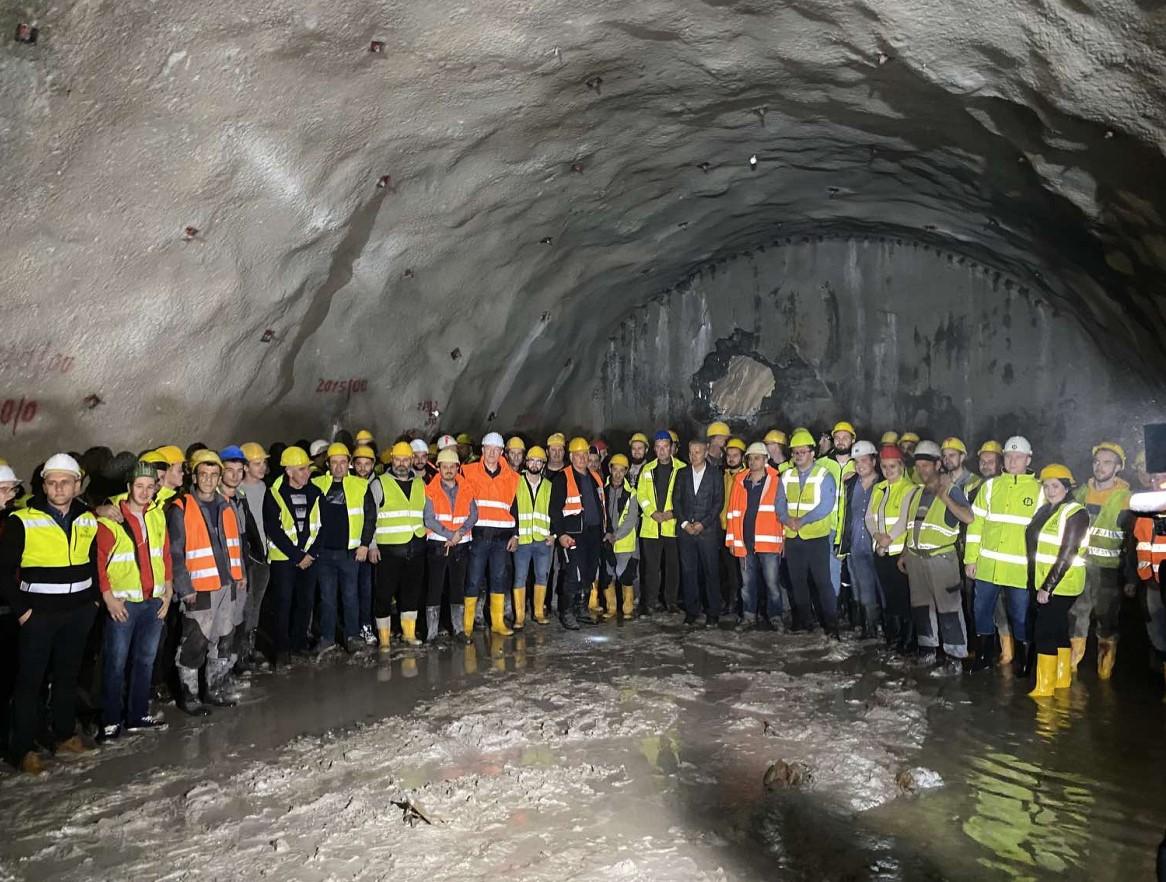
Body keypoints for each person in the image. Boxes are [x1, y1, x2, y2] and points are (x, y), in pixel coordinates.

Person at [1, 454, 98, 773]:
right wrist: (24, 612)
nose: (58, 488)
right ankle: (23, 748)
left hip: (78, 612)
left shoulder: (88, 518)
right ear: (44, 485)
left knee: (68, 677)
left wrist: (93, 601)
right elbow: (3, 572)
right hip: (39, 615)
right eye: (52, 482)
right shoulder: (23, 520)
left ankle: (64, 734)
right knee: (30, 682)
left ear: (77, 485)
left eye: (65, 482)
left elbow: (94, 562)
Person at [94, 462, 172, 740]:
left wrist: (169, 591)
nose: (145, 491)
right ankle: (110, 721)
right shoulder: (110, 519)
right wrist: (108, 598)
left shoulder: (157, 516)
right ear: (128, 487)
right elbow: (100, 562)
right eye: (139, 486)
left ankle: (138, 714)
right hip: (124, 603)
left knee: (145, 661)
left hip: (153, 601)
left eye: (150, 487)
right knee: (115, 663)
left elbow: (165, 555)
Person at [168, 450, 245, 715]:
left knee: (224, 638)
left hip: (226, 584)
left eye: (214, 475)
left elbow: (235, 544)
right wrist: (184, 587)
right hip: (199, 588)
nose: (209, 480)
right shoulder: (181, 508)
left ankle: (214, 689)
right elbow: (175, 553)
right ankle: (189, 696)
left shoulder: (225, 505)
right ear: (195, 475)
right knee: (195, 641)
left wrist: (240, 574)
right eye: (204, 474)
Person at [965, 436, 1043, 676]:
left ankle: (1023, 661)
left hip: (1020, 570)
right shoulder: (990, 487)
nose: (1012, 461)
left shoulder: (1039, 490)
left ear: (1028, 459)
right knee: (981, 612)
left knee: (1020, 617)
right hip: (987, 566)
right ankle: (984, 656)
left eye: (1018, 457)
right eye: (1008, 456)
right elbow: (975, 525)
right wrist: (970, 558)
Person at [900, 441, 973, 669]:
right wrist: (904, 553)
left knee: (949, 608)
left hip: (942, 559)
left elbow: (968, 517)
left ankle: (955, 656)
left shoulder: (951, 490)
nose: (922, 470)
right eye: (919, 466)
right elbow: (912, 526)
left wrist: (946, 498)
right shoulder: (917, 493)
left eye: (926, 465)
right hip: (916, 558)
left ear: (938, 464)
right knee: (921, 607)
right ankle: (927, 650)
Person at [1025, 465, 1089, 697]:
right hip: (1046, 580)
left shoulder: (1075, 512)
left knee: (1045, 632)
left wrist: (1047, 587)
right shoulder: (1046, 510)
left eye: (1055, 486)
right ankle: (1062, 679)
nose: (1050, 490)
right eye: (1046, 485)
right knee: (1059, 629)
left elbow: (1068, 552)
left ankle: (1044, 687)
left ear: (1066, 487)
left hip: (1062, 583)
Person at [1069, 441, 1131, 679]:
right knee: (1076, 616)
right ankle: (1072, 669)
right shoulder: (1080, 494)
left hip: (1109, 570)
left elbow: (1131, 540)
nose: (1100, 466)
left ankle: (1104, 673)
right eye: (1097, 461)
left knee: (1107, 621)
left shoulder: (1126, 498)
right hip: (1080, 566)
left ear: (1118, 468)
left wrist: (1130, 577)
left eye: (1107, 462)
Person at [311, 443, 376, 655]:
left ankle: (353, 635)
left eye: (343, 462)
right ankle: (328, 637)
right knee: (327, 598)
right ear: (327, 463)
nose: (338, 466)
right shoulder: (317, 484)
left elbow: (369, 518)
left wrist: (365, 544)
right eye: (334, 462)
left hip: (350, 552)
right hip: (324, 553)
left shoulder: (360, 485)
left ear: (349, 464)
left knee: (350, 596)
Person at [264, 446, 322, 667]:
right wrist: (297, 555)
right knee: (283, 604)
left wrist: (311, 553)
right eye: (302, 469)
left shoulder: (314, 492)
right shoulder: (275, 493)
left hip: (309, 557)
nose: (307, 472)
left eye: (307, 468)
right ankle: (281, 651)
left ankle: (299, 644)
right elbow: (274, 529)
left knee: (305, 602)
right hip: (284, 560)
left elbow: (321, 526)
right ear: (288, 471)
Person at [778, 429, 839, 636]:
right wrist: (787, 520)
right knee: (797, 582)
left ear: (813, 453)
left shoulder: (824, 475)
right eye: (795, 452)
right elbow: (779, 504)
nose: (798, 456)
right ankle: (804, 622)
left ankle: (831, 625)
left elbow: (826, 505)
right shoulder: (786, 476)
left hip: (816, 538)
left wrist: (802, 521)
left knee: (822, 582)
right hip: (794, 538)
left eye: (803, 452)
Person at [369, 441, 427, 648]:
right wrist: (372, 545)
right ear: (391, 460)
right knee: (384, 595)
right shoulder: (379, 484)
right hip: (389, 551)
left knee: (411, 593)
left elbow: (427, 513)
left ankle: (408, 634)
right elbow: (370, 517)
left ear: (412, 460)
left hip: (416, 548)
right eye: (397, 459)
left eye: (405, 459)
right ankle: (384, 639)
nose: (401, 464)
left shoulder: (420, 483)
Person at [462, 432, 520, 635]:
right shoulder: (467, 472)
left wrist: (516, 534)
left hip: (501, 540)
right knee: (473, 580)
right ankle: (467, 626)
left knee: (498, 580)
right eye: (489, 449)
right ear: (482, 450)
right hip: (478, 537)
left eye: (497, 450)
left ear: (502, 452)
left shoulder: (513, 478)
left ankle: (497, 623)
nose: (492, 453)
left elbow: (516, 508)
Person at [724, 443, 785, 629]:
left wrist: (784, 541)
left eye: (757, 458)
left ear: (766, 459)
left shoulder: (776, 481)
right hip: (745, 542)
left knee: (772, 584)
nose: (752, 461)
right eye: (750, 458)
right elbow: (733, 513)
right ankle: (749, 616)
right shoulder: (740, 481)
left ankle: (775, 616)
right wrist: (732, 541)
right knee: (747, 585)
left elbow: (782, 513)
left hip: (768, 543)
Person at [550, 437, 606, 629]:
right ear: (571, 456)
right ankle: (566, 612)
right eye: (578, 454)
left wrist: (604, 530)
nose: (582, 458)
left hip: (593, 533)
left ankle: (581, 609)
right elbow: (554, 510)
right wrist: (561, 534)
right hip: (573, 534)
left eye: (584, 454)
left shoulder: (595, 476)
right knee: (573, 573)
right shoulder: (562, 478)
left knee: (589, 573)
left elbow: (601, 506)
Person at [867, 445, 917, 653]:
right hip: (881, 550)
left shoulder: (910, 488)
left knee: (903, 596)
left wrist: (888, 539)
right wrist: (878, 537)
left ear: (901, 466)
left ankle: (908, 639)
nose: (888, 471)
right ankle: (893, 637)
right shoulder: (879, 488)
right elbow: (870, 517)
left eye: (892, 467)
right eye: (885, 467)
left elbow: (906, 518)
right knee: (888, 595)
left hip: (899, 552)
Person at [423, 447, 476, 642]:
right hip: (438, 545)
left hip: (460, 545)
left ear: (457, 467)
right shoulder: (430, 489)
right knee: (435, 587)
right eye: (444, 467)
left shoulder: (467, 487)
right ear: (438, 468)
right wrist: (448, 534)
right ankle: (432, 633)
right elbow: (428, 519)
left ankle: (459, 629)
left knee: (457, 587)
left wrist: (459, 534)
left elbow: (474, 515)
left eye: (452, 467)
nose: (448, 470)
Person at [675, 437, 724, 626]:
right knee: (689, 572)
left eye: (697, 452)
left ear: (705, 452)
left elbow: (718, 503)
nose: (693, 455)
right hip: (686, 532)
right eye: (690, 452)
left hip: (708, 532)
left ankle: (713, 612)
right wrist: (685, 523)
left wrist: (703, 524)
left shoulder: (715, 474)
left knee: (711, 572)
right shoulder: (682, 473)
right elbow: (677, 501)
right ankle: (692, 611)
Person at [637, 431, 686, 614]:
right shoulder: (647, 469)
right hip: (651, 526)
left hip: (672, 526)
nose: (662, 450)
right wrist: (652, 512)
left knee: (673, 567)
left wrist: (673, 513)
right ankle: (650, 602)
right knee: (651, 568)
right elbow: (641, 495)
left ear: (672, 447)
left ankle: (671, 601)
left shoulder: (682, 468)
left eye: (665, 446)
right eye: (658, 447)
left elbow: (685, 496)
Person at [838, 440, 882, 637]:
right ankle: (868, 627)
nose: (860, 465)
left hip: (877, 545)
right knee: (862, 588)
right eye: (856, 461)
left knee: (880, 588)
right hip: (855, 543)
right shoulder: (850, 483)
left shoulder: (883, 484)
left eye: (864, 460)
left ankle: (883, 628)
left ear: (874, 460)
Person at [237, 442, 272, 666]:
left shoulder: (264, 488)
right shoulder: (237, 490)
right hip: (246, 556)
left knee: (256, 604)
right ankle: (239, 653)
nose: (262, 467)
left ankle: (250, 649)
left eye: (263, 463)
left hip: (264, 554)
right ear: (245, 467)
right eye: (257, 463)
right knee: (244, 605)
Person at [513, 445, 554, 627]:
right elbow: (511, 511)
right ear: (526, 462)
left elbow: (555, 512)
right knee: (520, 577)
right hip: (522, 540)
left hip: (543, 540)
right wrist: (513, 535)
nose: (535, 464)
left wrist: (554, 534)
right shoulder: (515, 482)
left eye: (539, 461)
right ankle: (520, 616)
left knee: (541, 576)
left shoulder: (549, 486)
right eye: (532, 460)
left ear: (543, 464)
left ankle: (538, 612)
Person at [602, 453, 640, 619]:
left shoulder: (632, 493)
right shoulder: (601, 490)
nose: (617, 474)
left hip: (624, 543)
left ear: (626, 472)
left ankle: (627, 609)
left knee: (625, 575)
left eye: (621, 470)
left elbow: (631, 519)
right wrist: (606, 535)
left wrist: (616, 535)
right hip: (607, 542)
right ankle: (611, 609)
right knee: (608, 575)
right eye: (614, 469)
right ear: (610, 469)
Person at [350, 444, 379, 644]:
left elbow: (376, 518)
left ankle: (366, 625)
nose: (362, 468)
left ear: (373, 465)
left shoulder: (377, 484)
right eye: (359, 464)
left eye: (367, 464)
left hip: (368, 545)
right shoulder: (347, 484)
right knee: (351, 590)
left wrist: (371, 544)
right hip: (351, 546)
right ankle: (353, 629)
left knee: (367, 588)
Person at [718, 438, 747, 617]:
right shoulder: (723, 475)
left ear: (742, 457)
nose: (731, 458)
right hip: (723, 528)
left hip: (741, 530)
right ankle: (730, 601)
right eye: (729, 455)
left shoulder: (747, 475)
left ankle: (741, 603)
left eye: (735, 455)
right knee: (726, 569)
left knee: (742, 570)